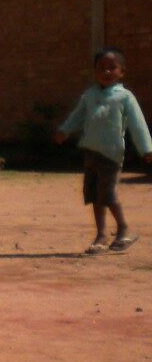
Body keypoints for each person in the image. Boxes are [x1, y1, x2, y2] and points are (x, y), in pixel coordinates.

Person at [56, 47, 152, 255]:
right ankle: (101, 235)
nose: (107, 72)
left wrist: (146, 148)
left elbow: (138, 124)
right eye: (101, 68)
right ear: (94, 71)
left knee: (107, 194)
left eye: (112, 67)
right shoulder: (90, 95)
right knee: (93, 194)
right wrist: (65, 130)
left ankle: (124, 228)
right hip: (91, 151)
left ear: (122, 72)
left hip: (111, 153)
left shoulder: (125, 97)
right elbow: (78, 115)